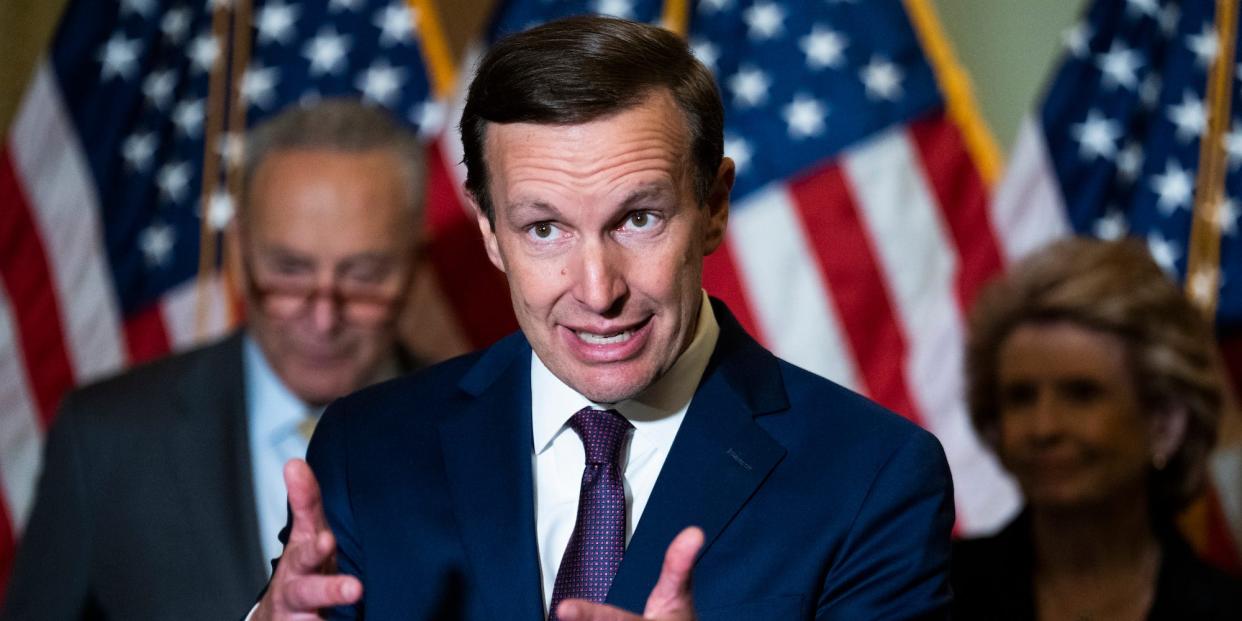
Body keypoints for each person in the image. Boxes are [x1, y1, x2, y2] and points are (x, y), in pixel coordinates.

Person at [254, 15, 954, 621]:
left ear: (713, 206)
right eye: (544, 228)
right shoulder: (366, 450)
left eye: (638, 218)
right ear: (491, 232)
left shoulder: (872, 478)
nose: (597, 290)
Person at [0, 99, 425, 621]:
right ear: (241, 257)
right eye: (289, 270)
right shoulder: (104, 441)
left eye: (362, 276)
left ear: (412, 263)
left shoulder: (482, 430)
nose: (322, 318)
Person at [952, 237, 1242, 620]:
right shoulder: (932, 596)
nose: (1044, 427)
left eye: (1081, 394)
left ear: (1164, 423)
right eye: (1021, 397)